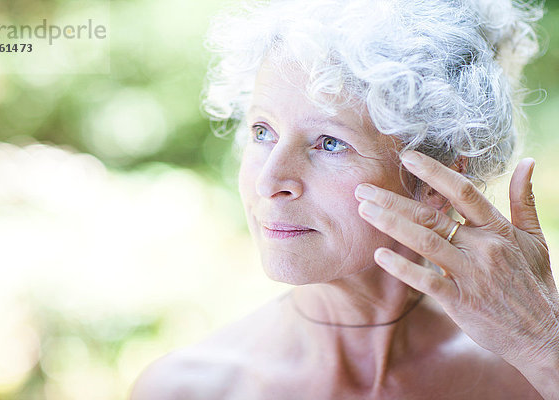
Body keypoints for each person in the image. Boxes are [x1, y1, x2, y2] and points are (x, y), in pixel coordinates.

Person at [130, 0, 559, 398]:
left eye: (329, 143)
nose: (270, 181)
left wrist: (543, 344)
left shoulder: (529, 371)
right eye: (263, 132)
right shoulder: (187, 389)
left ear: (437, 179)